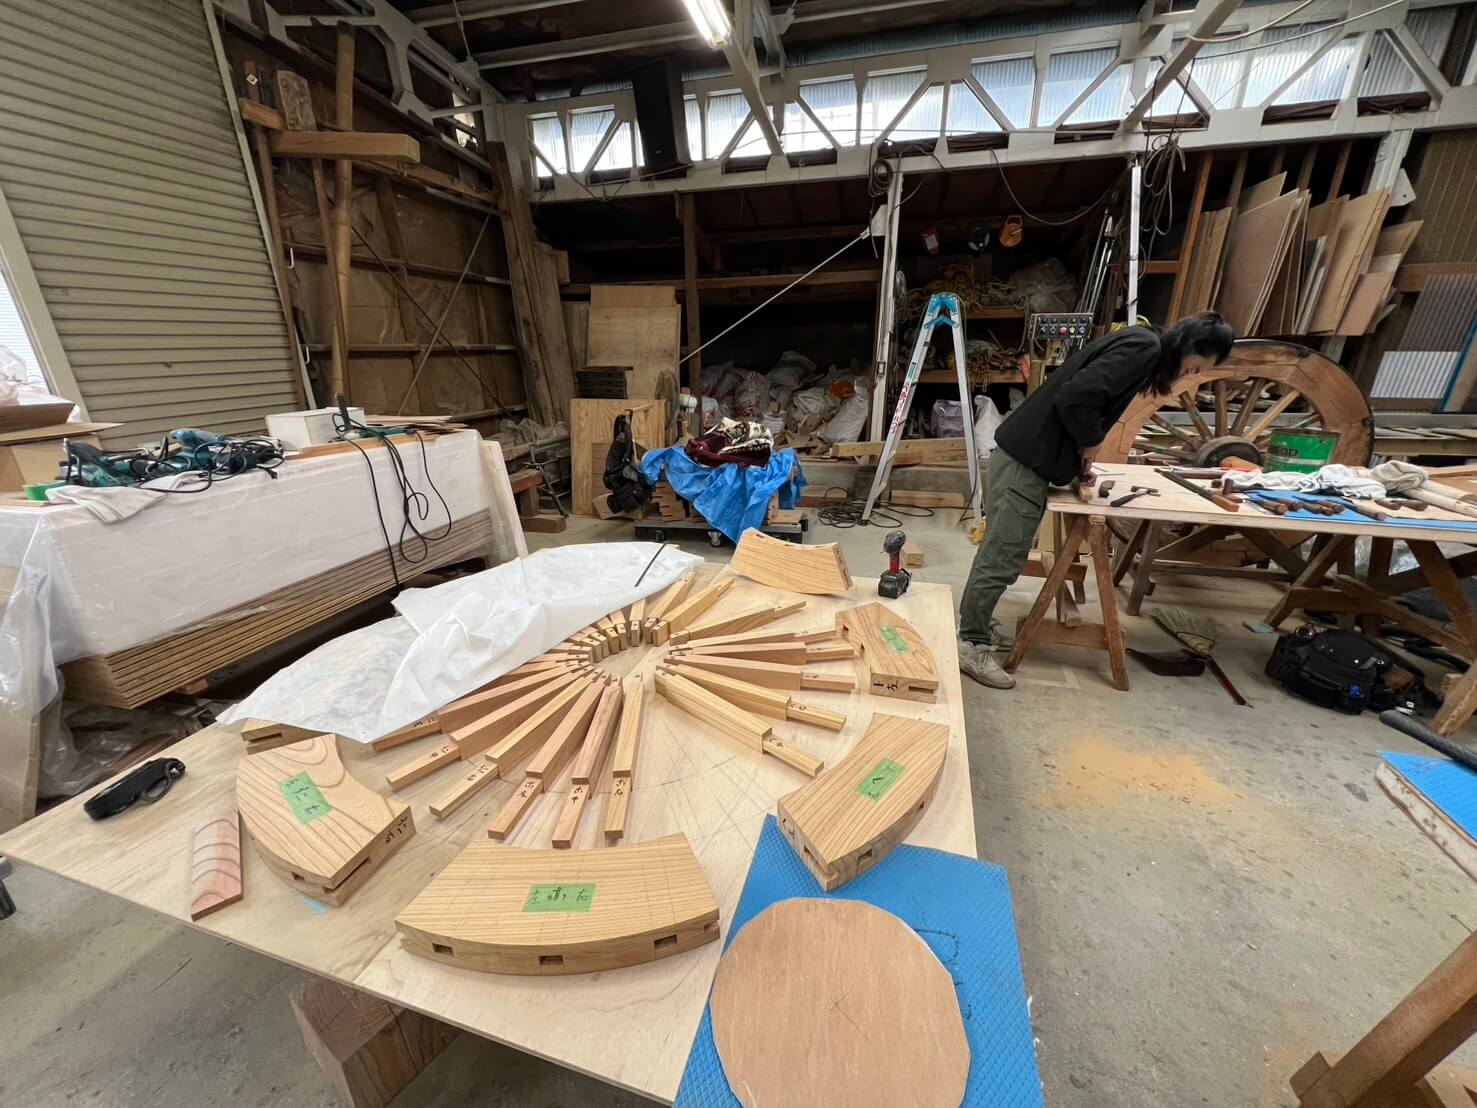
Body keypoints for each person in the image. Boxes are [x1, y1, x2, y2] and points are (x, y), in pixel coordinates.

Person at [958, 312, 1236, 690]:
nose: (1190, 374)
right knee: (1001, 558)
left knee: (1002, 555)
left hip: (1029, 459)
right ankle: (970, 642)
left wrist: (1076, 465)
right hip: (1023, 462)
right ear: (1190, 346)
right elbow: (1077, 396)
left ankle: (976, 626)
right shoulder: (1144, 347)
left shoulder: (1144, 345)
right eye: (1197, 366)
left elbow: (1083, 400)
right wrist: (1091, 441)